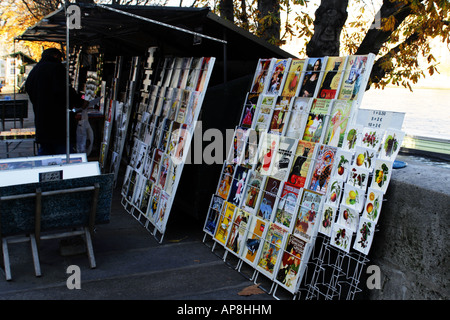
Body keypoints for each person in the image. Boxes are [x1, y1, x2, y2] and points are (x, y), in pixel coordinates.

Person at [25, 48, 87, 155]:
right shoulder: (57, 68)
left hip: (41, 119)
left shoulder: (35, 70)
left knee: (46, 154)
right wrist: (79, 102)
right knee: (63, 153)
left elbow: (29, 89)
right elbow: (64, 91)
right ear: (56, 56)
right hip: (58, 121)